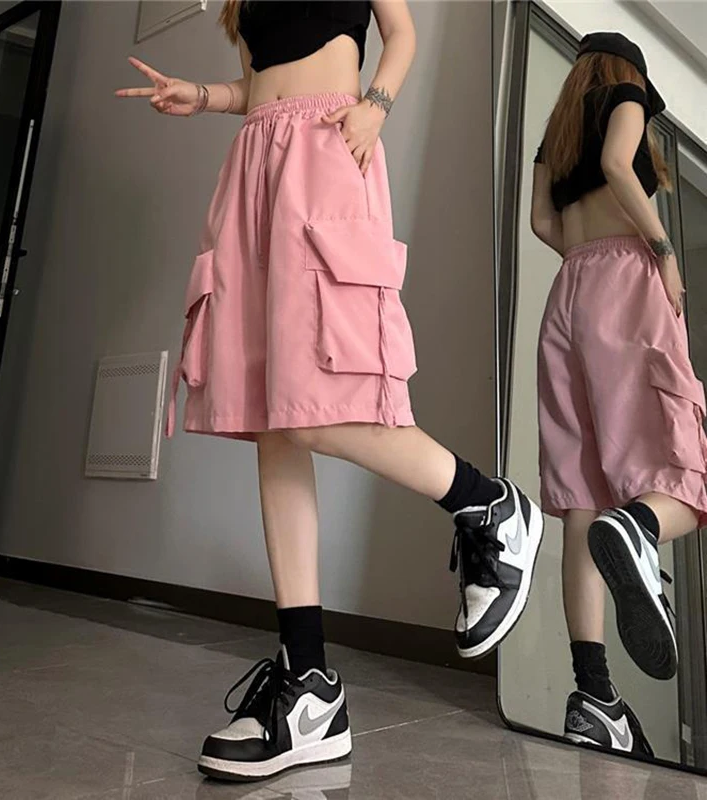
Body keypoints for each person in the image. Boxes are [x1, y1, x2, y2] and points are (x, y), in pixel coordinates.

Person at [117, 0, 543, 781]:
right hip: (254, 164)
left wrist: (376, 105)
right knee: (273, 423)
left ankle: (487, 504)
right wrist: (202, 96)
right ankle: (309, 683)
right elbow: (259, 83)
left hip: (327, 146)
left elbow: (401, 32)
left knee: (319, 404)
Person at [531, 32, 707, 756]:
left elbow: (542, 223)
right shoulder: (626, 95)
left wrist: (585, 260)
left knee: (581, 499)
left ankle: (594, 696)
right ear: (629, 71)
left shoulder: (555, 133)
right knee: (685, 473)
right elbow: (616, 164)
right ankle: (639, 531)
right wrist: (660, 251)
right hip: (627, 285)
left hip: (568, 293)